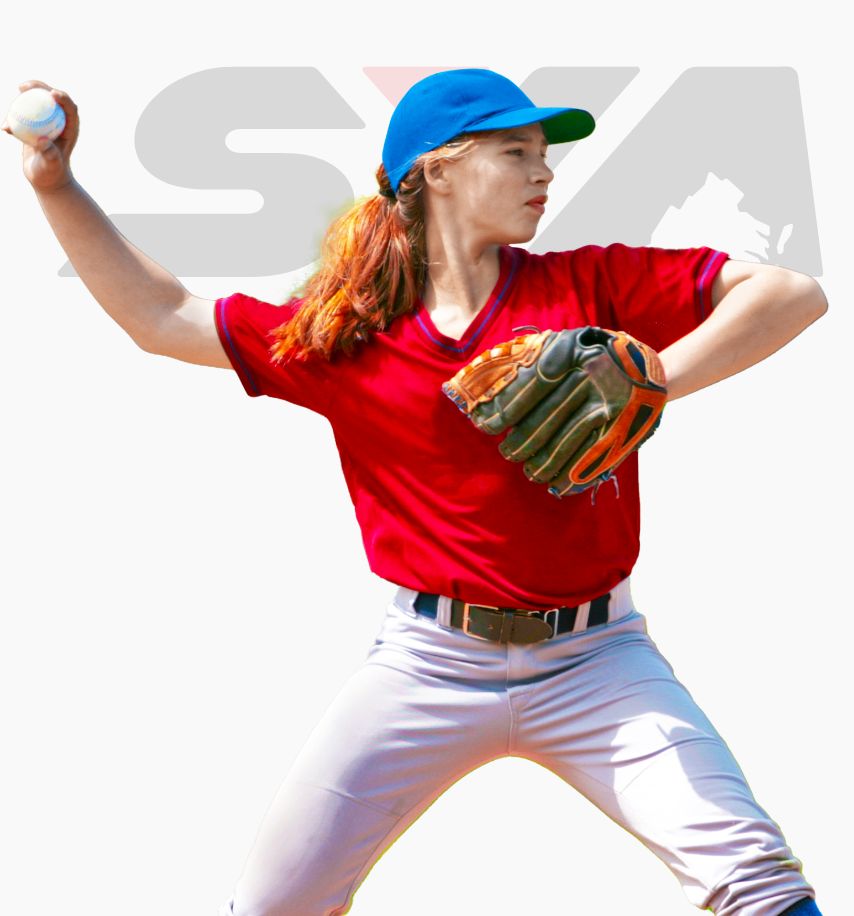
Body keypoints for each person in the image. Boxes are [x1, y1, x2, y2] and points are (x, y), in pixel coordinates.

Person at [6, 68, 827, 916]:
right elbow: (162, 315)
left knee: (760, 882)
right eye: (516, 151)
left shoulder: (591, 286)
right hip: (428, 665)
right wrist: (58, 184)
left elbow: (792, 293)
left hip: (600, 661)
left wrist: (653, 377)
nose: (544, 172)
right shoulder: (346, 333)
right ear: (436, 170)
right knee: (271, 905)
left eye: (545, 154)